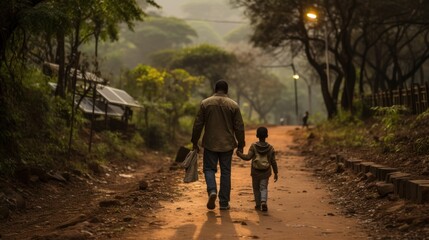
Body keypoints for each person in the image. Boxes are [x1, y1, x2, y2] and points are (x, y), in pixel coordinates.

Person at [191, 80, 245, 210]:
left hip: (210, 143)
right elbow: (239, 127)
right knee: (226, 172)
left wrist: (194, 141)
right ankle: (224, 203)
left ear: (215, 89)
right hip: (227, 144)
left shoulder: (205, 103)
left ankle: (212, 191)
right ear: (226, 90)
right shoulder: (234, 105)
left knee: (209, 169)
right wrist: (241, 144)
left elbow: (198, 124)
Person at [236, 127, 278, 211]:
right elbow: (273, 162)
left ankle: (258, 204)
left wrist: (239, 154)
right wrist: (276, 172)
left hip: (255, 172)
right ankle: (263, 202)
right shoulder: (270, 148)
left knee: (256, 188)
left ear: (256, 135)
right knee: (263, 187)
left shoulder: (253, 147)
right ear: (267, 135)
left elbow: (248, 157)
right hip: (266, 172)